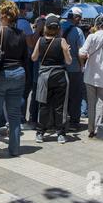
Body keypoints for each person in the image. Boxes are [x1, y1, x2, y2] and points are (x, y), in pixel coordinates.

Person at [0, 1, 29, 157]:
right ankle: (15, 149)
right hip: (18, 73)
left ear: (2, 15)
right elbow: (25, 58)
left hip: (0, 75)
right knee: (14, 114)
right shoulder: (21, 34)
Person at [32, 15, 72, 144]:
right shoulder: (62, 41)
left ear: (46, 28)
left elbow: (33, 58)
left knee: (43, 105)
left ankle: (40, 133)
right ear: (58, 28)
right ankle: (60, 133)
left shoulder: (40, 40)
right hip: (60, 76)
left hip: (44, 77)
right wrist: (67, 51)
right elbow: (69, 61)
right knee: (60, 107)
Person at [79, 15, 103, 138]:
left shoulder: (91, 37)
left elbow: (82, 53)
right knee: (101, 103)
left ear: (96, 25)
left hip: (90, 75)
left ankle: (91, 129)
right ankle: (98, 128)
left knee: (91, 102)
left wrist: (87, 57)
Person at [61, 7, 85, 130]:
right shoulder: (78, 31)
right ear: (76, 18)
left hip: (60, 67)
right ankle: (74, 122)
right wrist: (82, 65)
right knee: (75, 95)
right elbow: (82, 52)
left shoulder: (59, 27)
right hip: (74, 68)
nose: (80, 21)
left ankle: (60, 121)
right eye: (80, 18)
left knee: (62, 96)